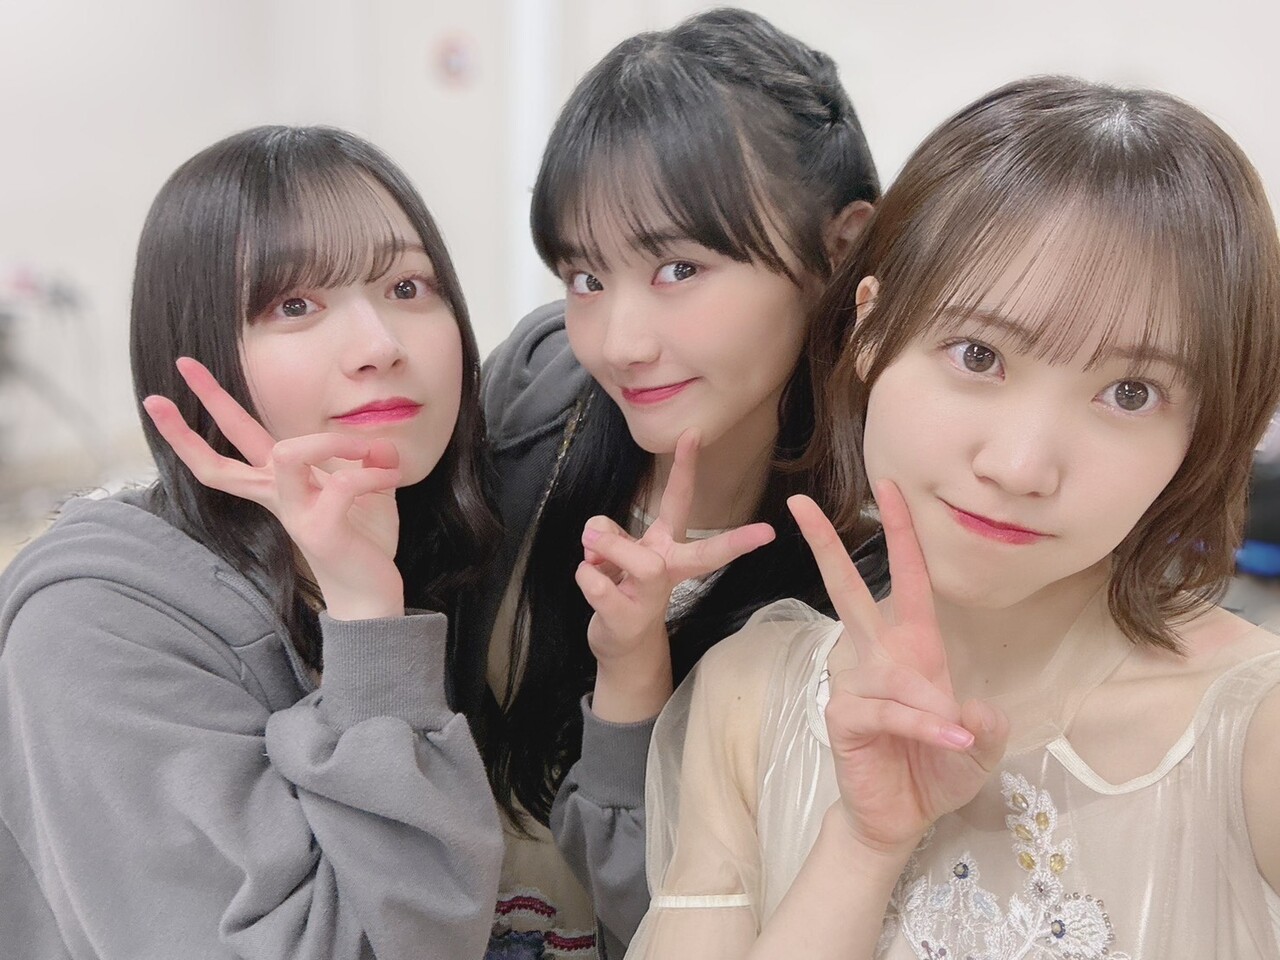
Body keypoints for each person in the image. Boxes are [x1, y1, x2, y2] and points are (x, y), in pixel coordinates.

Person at [626, 76, 1280, 959]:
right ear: (869, 331)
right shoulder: (748, 701)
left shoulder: (1253, 735)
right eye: (979, 354)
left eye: (1130, 393)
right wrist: (862, 846)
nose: (1020, 466)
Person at [0, 126, 503, 959]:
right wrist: (370, 625)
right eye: (293, 305)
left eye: (407, 286)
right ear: (192, 349)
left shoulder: (441, 530)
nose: (380, 346)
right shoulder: (93, 627)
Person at [471, 8, 884, 957]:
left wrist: (634, 676)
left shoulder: (868, 563)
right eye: (585, 276)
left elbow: (703, 910)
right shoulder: (540, 386)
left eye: (677, 268)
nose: (620, 343)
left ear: (840, 251)